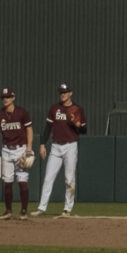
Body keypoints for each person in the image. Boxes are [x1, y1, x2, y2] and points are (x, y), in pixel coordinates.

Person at [36, 82, 86, 217]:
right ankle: (41, 208)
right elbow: (47, 128)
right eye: (61, 93)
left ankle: (67, 209)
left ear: (70, 93)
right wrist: (42, 144)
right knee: (48, 177)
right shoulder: (54, 108)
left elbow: (84, 130)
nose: (62, 95)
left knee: (69, 179)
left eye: (65, 92)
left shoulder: (77, 109)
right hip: (55, 146)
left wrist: (77, 125)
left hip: (70, 146)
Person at [0, 88, 34, 218]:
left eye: (8, 97)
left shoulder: (22, 113)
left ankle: (24, 211)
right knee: (7, 182)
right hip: (6, 150)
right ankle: (8, 211)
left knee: (22, 181)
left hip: (21, 149)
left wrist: (29, 148)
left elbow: (29, 129)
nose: (5, 99)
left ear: (13, 98)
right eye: (4, 97)